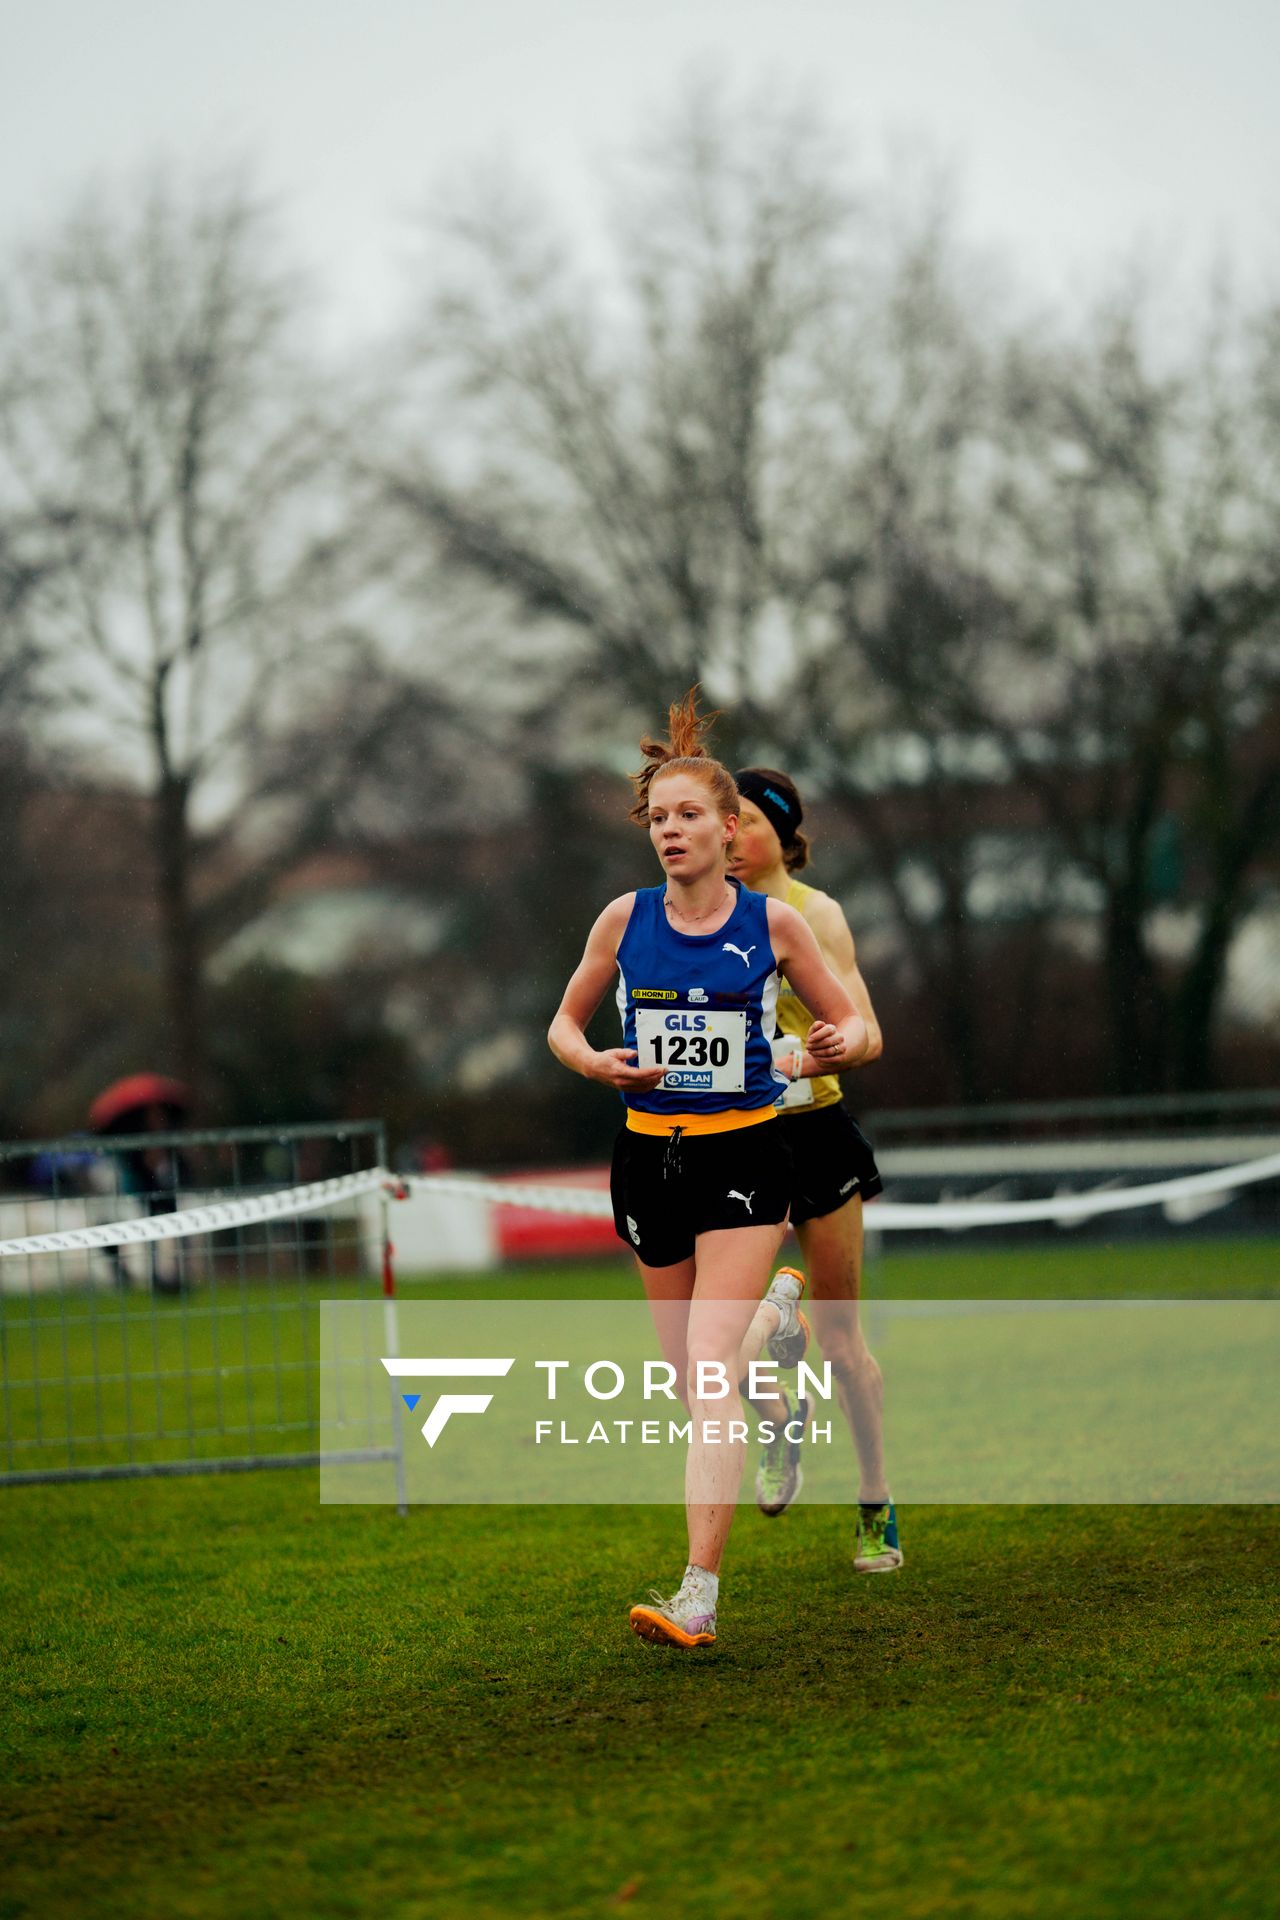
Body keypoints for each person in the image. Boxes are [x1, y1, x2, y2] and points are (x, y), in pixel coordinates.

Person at [548, 692, 871, 1649]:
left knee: (704, 1363)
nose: (671, 832)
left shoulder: (775, 927)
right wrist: (596, 1061)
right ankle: (780, 1329)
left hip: (743, 1154)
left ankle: (698, 1593)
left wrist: (823, 1047)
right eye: (658, 819)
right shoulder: (622, 921)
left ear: (731, 832)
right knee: (696, 1386)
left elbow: (846, 1025)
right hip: (648, 1159)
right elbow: (564, 1024)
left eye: (689, 815)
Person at [728, 767, 901, 1572]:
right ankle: (776, 1420)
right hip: (733, 1139)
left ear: (779, 832)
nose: (725, 834)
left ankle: (875, 1504)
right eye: (715, 821)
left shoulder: (813, 913)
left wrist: (841, 1044)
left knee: (841, 1345)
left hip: (817, 1133)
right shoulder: (695, 913)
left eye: (741, 822)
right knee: (716, 1333)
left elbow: (864, 1029)